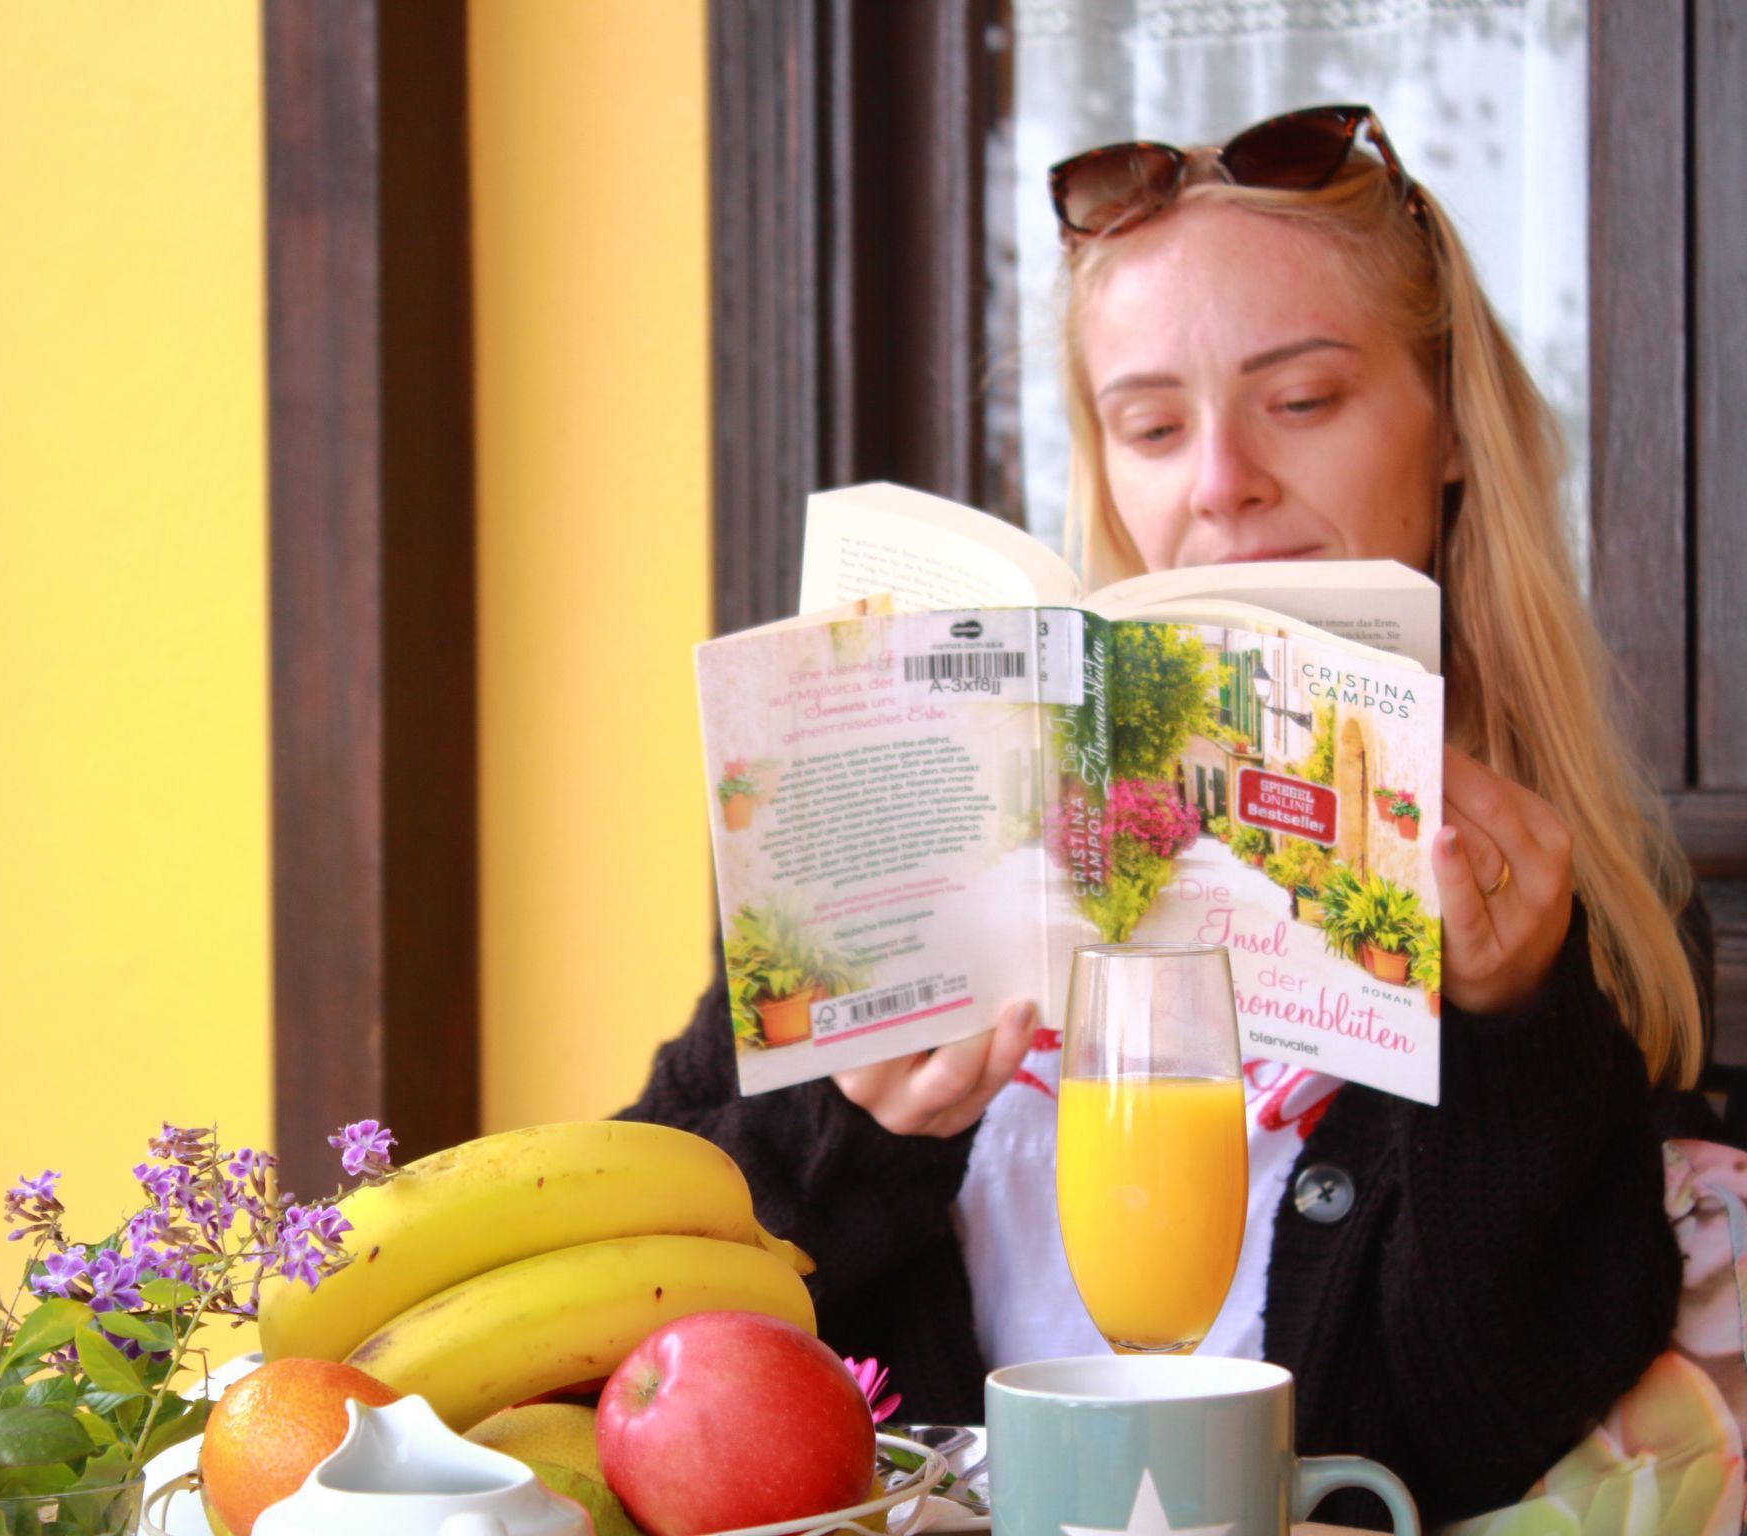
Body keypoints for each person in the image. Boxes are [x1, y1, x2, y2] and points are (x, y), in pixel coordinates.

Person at [618, 105, 1717, 1526]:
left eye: (1303, 401)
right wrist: (854, 1138)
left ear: (1448, 426)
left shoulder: (1572, 900)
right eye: (1151, 424)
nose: (1219, 486)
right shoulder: (915, 817)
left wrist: (1509, 1025)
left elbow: (1476, 1428)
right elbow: (638, 1313)